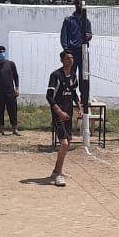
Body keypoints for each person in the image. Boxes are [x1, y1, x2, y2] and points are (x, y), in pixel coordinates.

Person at [47, 49, 82, 187]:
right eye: (68, 58)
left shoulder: (73, 76)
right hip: (59, 114)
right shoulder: (55, 75)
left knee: (66, 144)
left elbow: (74, 93)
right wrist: (59, 112)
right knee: (65, 144)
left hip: (68, 114)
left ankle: (57, 170)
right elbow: (49, 96)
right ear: (62, 60)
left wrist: (80, 107)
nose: (71, 60)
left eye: (72, 58)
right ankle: (58, 174)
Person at [60, 0, 93, 108]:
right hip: (72, 51)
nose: (81, 6)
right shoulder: (69, 19)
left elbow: (90, 34)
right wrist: (66, 49)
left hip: (83, 51)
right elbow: (63, 35)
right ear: (76, 5)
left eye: (83, 5)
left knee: (84, 75)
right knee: (70, 75)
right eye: (79, 4)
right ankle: (69, 98)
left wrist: (89, 36)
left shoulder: (86, 21)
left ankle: (84, 99)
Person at [0, 45, 21, 136]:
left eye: (3, 51)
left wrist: (17, 88)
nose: (2, 53)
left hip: (10, 92)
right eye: (0, 52)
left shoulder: (11, 64)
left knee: (13, 111)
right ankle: (1, 130)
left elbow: (16, 76)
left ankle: (14, 129)